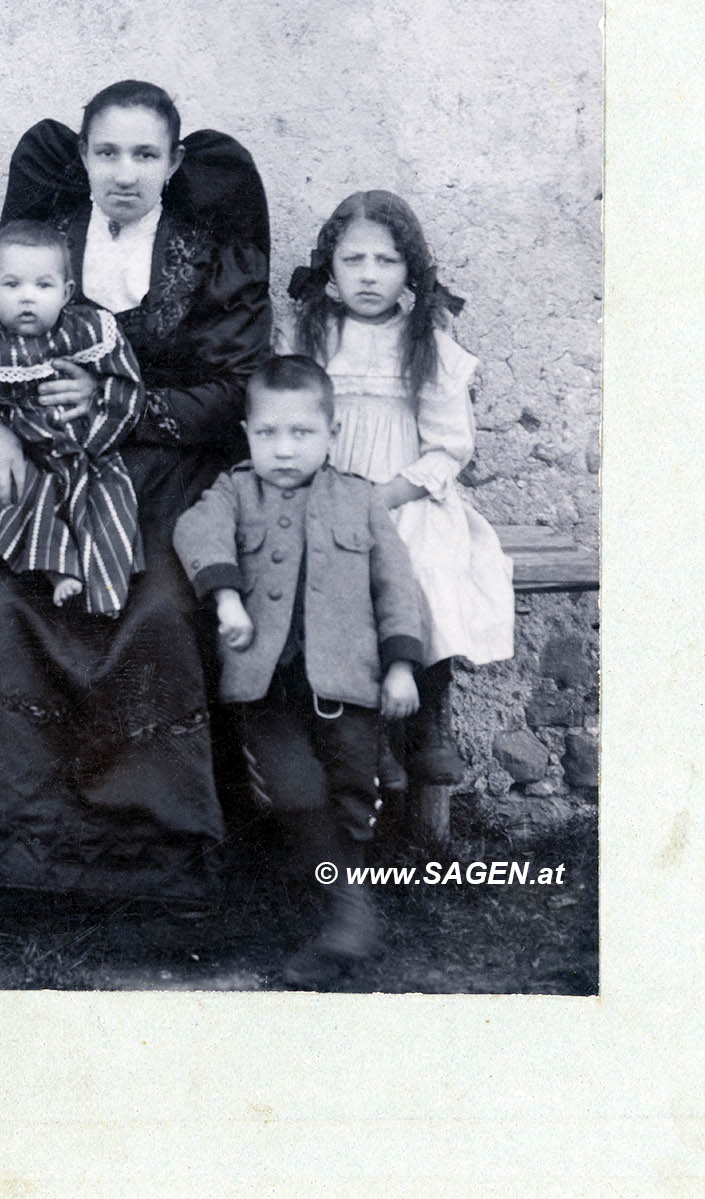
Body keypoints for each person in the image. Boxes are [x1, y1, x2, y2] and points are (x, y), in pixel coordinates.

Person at [0, 80, 272, 912]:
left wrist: (128, 406)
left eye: (145, 155)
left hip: (163, 472)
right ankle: (4, 849)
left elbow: (232, 389)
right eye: (109, 152)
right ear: (83, 157)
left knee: (155, 610)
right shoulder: (38, 247)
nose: (126, 172)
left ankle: (152, 858)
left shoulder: (206, 251)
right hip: (41, 476)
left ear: (174, 162)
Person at [173, 355, 427, 987]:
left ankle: (345, 906)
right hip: (267, 688)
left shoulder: (361, 499)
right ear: (247, 434)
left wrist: (400, 665)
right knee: (293, 792)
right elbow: (194, 529)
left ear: (332, 434)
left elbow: (397, 587)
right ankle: (346, 916)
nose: (283, 450)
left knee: (350, 793)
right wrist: (227, 598)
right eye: (268, 434)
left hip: (348, 684)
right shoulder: (235, 490)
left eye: (302, 434)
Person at [283, 190, 515, 786]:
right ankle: (368, 728)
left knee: (427, 566)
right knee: (339, 572)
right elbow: (289, 418)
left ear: (410, 269)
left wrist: (388, 495)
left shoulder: (427, 344)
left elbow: (448, 445)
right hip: (325, 489)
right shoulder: (308, 336)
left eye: (386, 262)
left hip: (406, 494)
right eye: (353, 260)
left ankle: (426, 717)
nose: (368, 276)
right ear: (329, 269)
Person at [0, 219, 147, 615]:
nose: (27, 298)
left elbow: (126, 387)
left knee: (108, 500)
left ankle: (105, 592)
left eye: (43, 286)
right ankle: (56, 570)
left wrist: (95, 441)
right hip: (25, 454)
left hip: (85, 449)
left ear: (67, 292)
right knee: (26, 496)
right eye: (12, 285)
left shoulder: (88, 331)